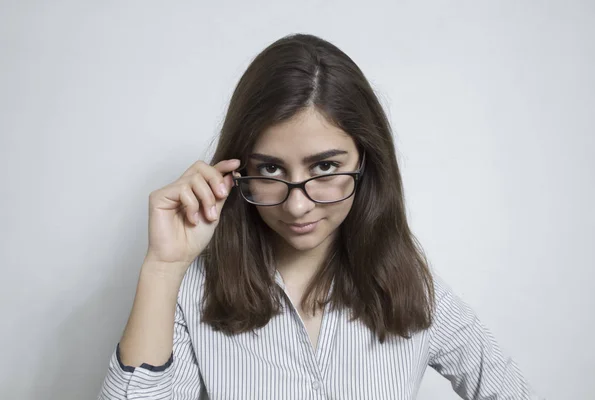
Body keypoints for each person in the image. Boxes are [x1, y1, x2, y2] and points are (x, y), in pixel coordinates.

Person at [98, 33, 541, 399]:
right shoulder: (194, 291)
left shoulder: (415, 290)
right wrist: (163, 267)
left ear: (366, 162)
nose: (296, 205)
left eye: (324, 167)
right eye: (271, 169)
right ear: (239, 169)